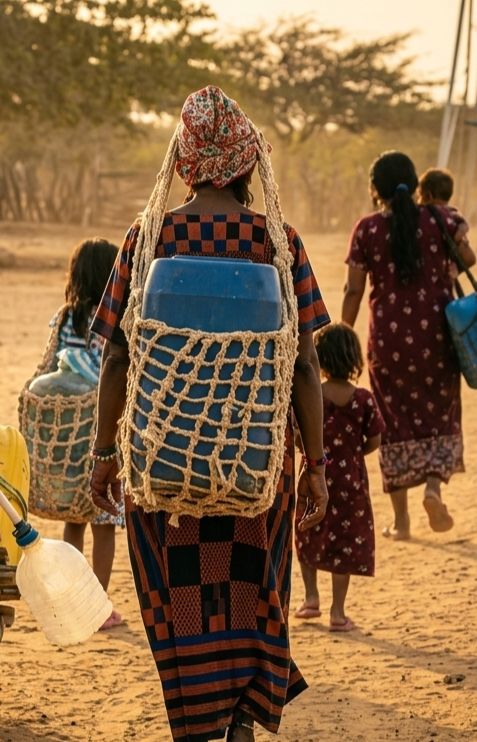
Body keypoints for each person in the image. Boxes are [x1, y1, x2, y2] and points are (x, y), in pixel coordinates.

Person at [87, 86, 330, 742]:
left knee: (180, 599)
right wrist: (316, 465)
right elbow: (307, 364)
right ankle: (243, 716)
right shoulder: (277, 245)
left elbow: (114, 358)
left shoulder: (148, 240)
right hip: (258, 468)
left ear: (185, 164)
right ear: (251, 165)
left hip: (163, 468)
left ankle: (198, 719)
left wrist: (106, 453)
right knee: (254, 593)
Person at [342, 151, 476, 541]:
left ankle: (401, 523)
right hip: (437, 335)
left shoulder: (366, 230)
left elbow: (354, 289)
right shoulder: (441, 219)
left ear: (374, 190)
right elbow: (468, 257)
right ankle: (433, 489)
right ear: (416, 185)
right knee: (439, 412)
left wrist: (344, 333)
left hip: (387, 342)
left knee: (393, 421)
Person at [51, 237, 124, 631]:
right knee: (105, 521)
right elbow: (112, 370)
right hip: (101, 435)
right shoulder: (112, 319)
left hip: (67, 439)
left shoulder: (65, 318)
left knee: (72, 521)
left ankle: (70, 602)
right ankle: (99, 606)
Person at [293, 323, 384, 632]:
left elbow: (297, 435)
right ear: (354, 359)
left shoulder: (312, 396)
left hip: (313, 475)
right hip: (351, 486)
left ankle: (310, 598)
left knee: (307, 533)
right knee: (343, 545)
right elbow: (374, 440)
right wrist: (352, 453)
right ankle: (338, 612)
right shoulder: (364, 400)